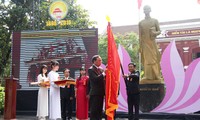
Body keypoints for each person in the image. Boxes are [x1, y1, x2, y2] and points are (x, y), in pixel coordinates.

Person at [139, 5, 162, 82]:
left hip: (152, 43)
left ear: (150, 10)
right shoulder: (141, 23)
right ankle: (147, 76)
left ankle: (156, 76)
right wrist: (140, 46)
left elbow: (159, 31)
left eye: (148, 9)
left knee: (154, 59)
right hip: (145, 44)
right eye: (145, 9)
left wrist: (154, 33)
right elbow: (140, 35)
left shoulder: (155, 21)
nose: (146, 10)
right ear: (143, 11)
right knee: (147, 60)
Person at [88, 55, 106, 120]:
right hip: (95, 93)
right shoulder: (91, 69)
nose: (101, 61)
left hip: (101, 93)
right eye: (99, 60)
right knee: (94, 110)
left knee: (99, 110)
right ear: (94, 61)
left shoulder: (101, 69)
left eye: (101, 60)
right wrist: (103, 74)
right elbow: (95, 79)